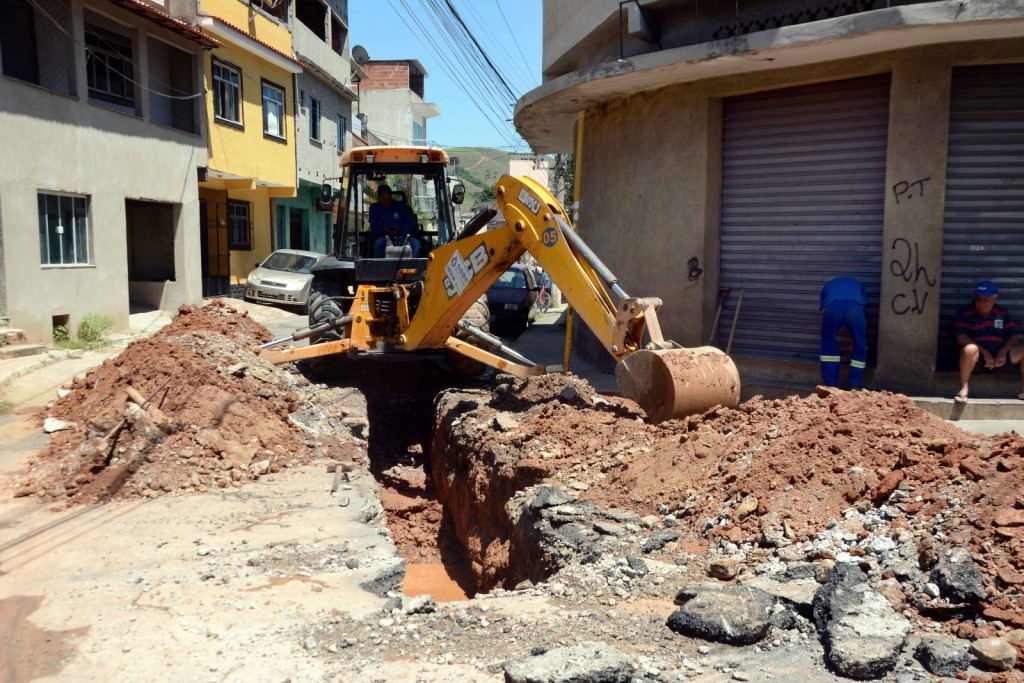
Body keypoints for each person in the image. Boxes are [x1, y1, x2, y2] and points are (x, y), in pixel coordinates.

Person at [952, 280, 1024, 404]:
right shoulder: (966, 313)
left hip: (1000, 359)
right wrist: (984, 352)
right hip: (977, 360)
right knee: (970, 349)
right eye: (978, 299)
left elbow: (1013, 338)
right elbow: (961, 338)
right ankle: (963, 389)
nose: (981, 303)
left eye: (986, 299)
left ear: (995, 299)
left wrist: (1002, 351)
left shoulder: (1002, 314)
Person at [819, 276, 868, 389]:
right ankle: (855, 384)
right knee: (860, 343)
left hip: (833, 306)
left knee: (828, 341)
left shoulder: (827, 286)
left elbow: (823, 310)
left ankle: (830, 384)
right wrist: (854, 338)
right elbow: (862, 307)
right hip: (855, 308)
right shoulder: (859, 284)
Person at [368, 184, 419, 258]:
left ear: (391, 197)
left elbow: (411, 224)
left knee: (416, 243)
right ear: (379, 198)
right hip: (384, 238)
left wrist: (400, 228)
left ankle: (412, 266)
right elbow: (374, 227)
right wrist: (384, 230)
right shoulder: (374, 208)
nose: (386, 202)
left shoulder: (401, 206)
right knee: (378, 243)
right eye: (384, 200)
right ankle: (378, 267)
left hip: (403, 237)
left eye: (388, 199)